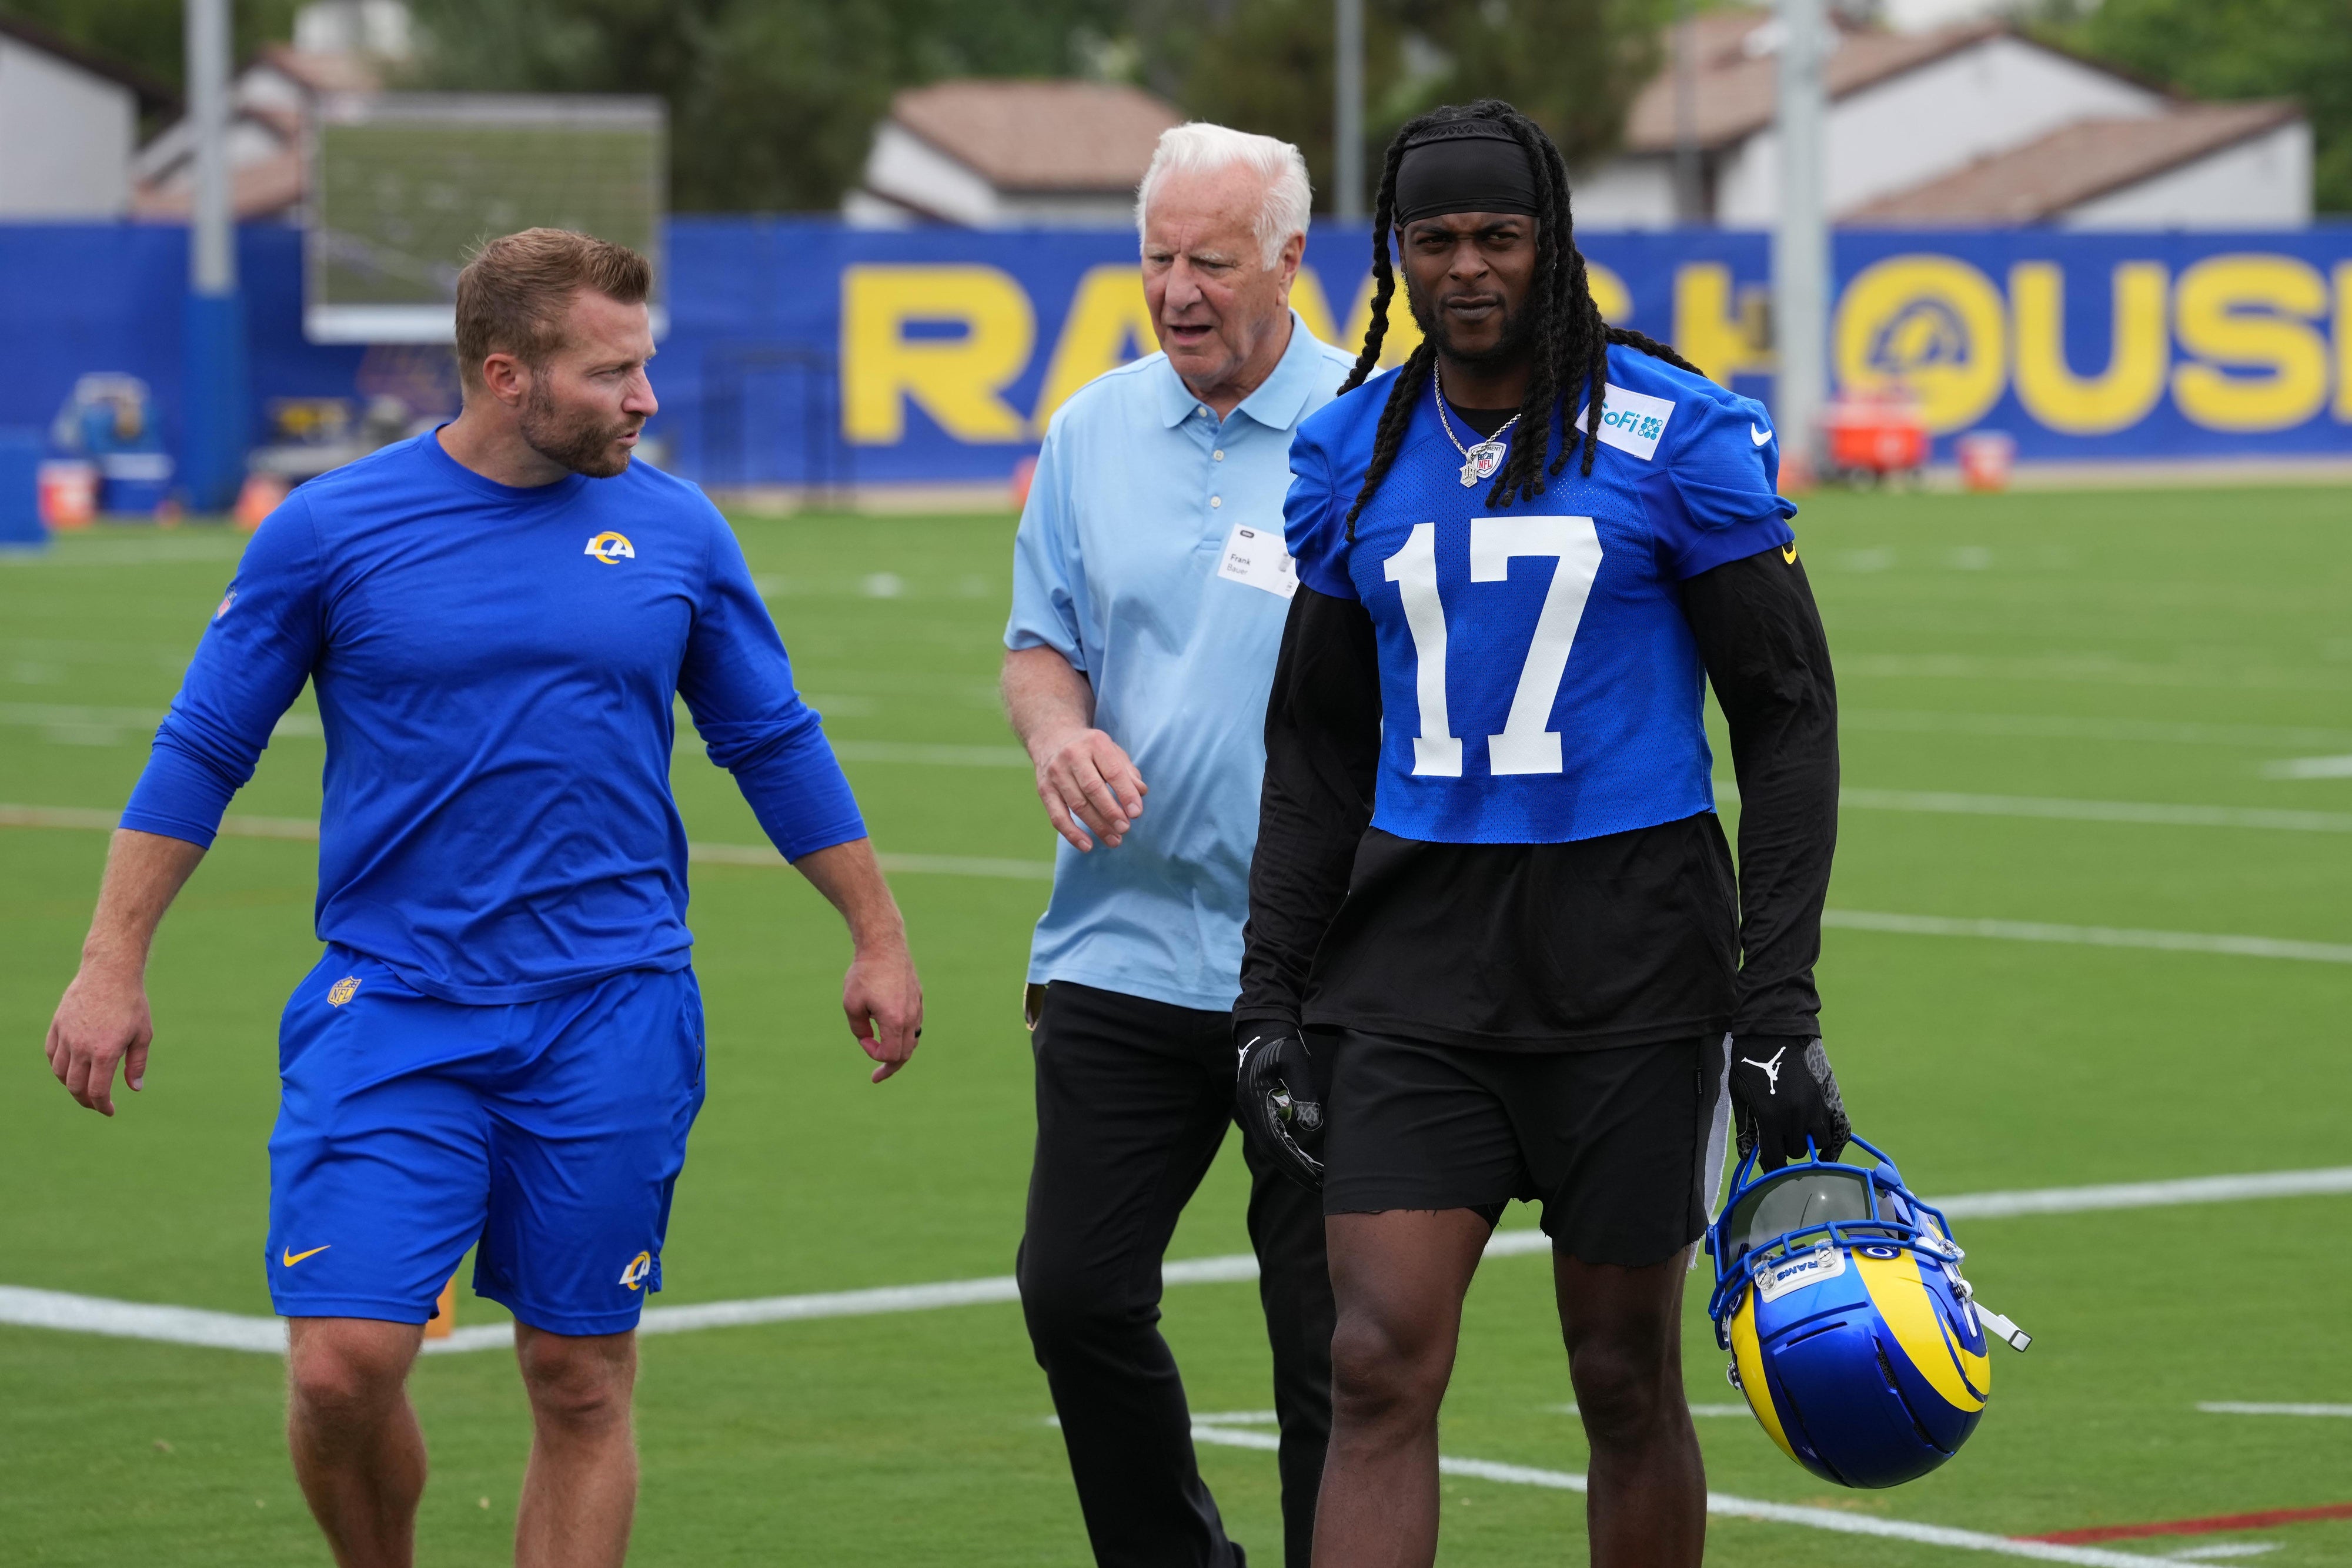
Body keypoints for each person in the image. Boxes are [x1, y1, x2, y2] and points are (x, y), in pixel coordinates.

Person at [41, 229, 923, 1568]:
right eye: (611, 371)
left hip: (612, 1008)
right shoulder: (330, 529)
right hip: (393, 1001)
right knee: (343, 1366)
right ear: (507, 374)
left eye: (644, 366)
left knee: (578, 1375)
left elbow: (773, 739)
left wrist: (876, 932)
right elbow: (201, 748)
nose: (645, 399)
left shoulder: (678, 528)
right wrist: (112, 959)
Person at [1231, 102, 1847, 1568]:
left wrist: (1777, 999)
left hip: (1630, 959)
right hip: (1415, 962)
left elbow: (1785, 714)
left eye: (1494, 235)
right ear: (1395, 252)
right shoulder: (1350, 451)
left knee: (1622, 1376)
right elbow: (1314, 741)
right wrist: (1265, 993)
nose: (1464, 267)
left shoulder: (1672, 427)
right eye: (1432, 239)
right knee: (1375, 1357)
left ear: (1549, 243)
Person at [1002, 123, 1358, 1568]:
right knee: (1073, 1294)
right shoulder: (1090, 427)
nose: (1176, 289)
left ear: (1288, 263)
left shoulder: (1379, 425)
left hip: (1336, 973)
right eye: (1155, 257)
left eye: (1210, 260)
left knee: (1334, 1352)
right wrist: (1055, 733)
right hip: (1121, 944)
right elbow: (1039, 646)